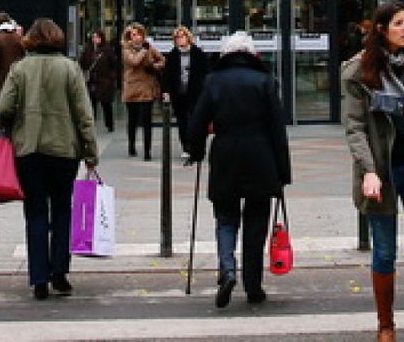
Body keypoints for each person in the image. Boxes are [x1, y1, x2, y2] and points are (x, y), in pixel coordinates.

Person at [341, 0, 404, 342]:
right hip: (381, 169)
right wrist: (368, 171)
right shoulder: (360, 71)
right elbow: (355, 127)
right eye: (399, 23)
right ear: (382, 29)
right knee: (384, 251)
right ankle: (386, 326)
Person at [0, 17, 98, 301]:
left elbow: (3, 106)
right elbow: (84, 114)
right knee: (63, 210)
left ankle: (39, 278)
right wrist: (90, 152)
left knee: (35, 212)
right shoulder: (70, 69)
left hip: (28, 149)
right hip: (64, 150)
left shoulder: (20, 68)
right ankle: (60, 274)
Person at [187, 31, 290, 309]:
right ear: (252, 54)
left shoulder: (213, 81)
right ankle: (253, 287)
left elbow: (197, 122)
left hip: (225, 156)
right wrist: (283, 171)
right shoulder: (266, 81)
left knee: (226, 216)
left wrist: (194, 151)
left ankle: (228, 268)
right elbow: (277, 130)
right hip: (261, 158)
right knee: (256, 223)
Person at [162, 25, 210, 157]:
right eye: (177, 37)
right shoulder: (173, 54)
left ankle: (197, 146)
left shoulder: (198, 53)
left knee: (195, 120)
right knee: (182, 121)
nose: (179, 40)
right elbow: (167, 75)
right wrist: (166, 91)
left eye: (182, 36)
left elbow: (206, 72)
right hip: (179, 93)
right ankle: (186, 147)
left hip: (195, 92)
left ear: (188, 38)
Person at [121, 22, 166, 159]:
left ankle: (147, 151)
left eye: (139, 34)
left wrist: (155, 66)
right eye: (133, 35)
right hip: (132, 89)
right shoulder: (127, 49)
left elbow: (163, 60)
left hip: (147, 88)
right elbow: (133, 62)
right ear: (129, 37)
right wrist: (143, 51)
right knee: (132, 120)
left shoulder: (149, 47)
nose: (137, 37)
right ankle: (132, 145)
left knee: (147, 121)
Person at [79, 29, 119, 132]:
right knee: (91, 104)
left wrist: (111, 78)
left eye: (97, 37)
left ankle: (109, 124)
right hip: (92, 81)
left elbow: (114, 65)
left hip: (105, 81)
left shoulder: (107, 50)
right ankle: (92, 124)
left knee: (106, 104)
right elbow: (82, 63)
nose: (95, 40)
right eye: (93, 37)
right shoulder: (88, 50)